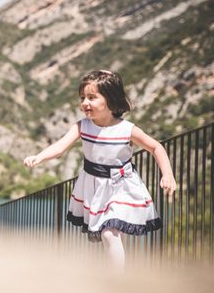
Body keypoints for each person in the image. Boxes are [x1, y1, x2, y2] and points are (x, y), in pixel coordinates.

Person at [24, 70, 176, 268]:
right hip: (94, 186)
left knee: (109, 232)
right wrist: (39, 156)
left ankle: (116, 281)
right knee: (112, 234)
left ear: (110, 100)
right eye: (83, 97)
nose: (85, 102)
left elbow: (156, 147)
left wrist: (168, 175)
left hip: (121, 186)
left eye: (92, 97)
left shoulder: (127, 129)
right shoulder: (82, 126)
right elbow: (60, 147)